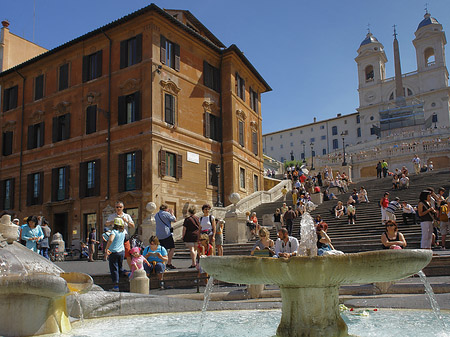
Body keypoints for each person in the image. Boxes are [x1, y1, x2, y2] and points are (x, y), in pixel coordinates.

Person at [105, 201, 135, 270]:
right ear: (115, 208)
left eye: (120, 207)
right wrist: (113, 221)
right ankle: (118, 269)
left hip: (124, 236)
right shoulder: (112, 216)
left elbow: (133, 226)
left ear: (123, 208)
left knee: (128, 253)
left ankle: (131, 270)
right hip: (116, 237)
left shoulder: (127, 216)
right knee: (116, 253)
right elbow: (106, 223)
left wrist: (126, 221)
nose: (119, 208)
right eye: (117, 207)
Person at [105, 218, 126, 292]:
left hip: (114, 252)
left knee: (114, 269)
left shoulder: (114, 232)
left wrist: (107, 248)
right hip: (122, 251)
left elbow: (110, 240)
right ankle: (129, 274)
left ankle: (116, 286)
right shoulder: (123, 232)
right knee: (120, 268)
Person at [155, 204, 177, 269]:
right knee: (172, 248)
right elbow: (174, 220)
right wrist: (172, 213)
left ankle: (162, 263)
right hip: (166, 234)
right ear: (166, 209)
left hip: (159, 234)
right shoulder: (166, 214)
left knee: (162, 249)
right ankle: (169, 263)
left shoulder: (156, 214)